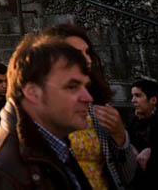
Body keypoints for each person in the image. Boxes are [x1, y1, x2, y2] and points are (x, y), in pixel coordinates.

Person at [0, 33, 95, 189]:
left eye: (85, 86)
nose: (87, 97)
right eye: (71, 86)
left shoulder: (60, 144)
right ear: (33, 92)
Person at [44, 24, 137, 189]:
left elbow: (127, 176)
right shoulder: (39, 112)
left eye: (87, 52)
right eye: (76, 54)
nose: (87, 59)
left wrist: (120, 137)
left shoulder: (96, 106)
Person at [126, 79, 158, 188]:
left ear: (153, 100)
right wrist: (128, 145)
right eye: (132, 96)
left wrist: (152, 150)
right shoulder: (131, 119)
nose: (133, 100)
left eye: (138, 96)